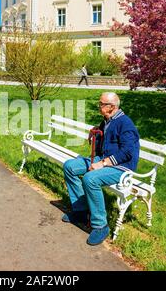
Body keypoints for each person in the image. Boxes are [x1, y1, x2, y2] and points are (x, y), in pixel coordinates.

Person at [62, 92, 140, 246]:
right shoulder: (108, 120)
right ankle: (81, 210)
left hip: (121, 167)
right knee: (69, 166)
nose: (99, 106)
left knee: (90, 179)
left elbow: (128, 152)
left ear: (111, 107)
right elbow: (107, 137)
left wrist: (103, 163)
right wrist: (96, 131)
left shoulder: (126, 124)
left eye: (101, 104)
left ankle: (101, 226)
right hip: (103, 159)